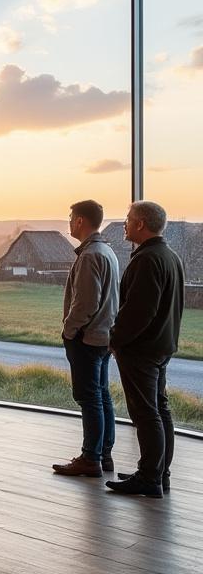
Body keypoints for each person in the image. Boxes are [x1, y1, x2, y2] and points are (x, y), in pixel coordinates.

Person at [106, 201, 184, 498]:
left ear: (140, 224)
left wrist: (114, 339)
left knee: (146, 414)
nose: (124, 224)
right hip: (161, 346)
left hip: (141, 350)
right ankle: (159, 473)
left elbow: (138, 313)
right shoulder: (170, 256)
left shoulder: (147, 260)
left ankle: (149, 478)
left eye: (128, 219)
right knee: (160, 409)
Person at [52, 200, 119, 478]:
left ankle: (90, 458)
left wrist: (69, 331)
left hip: (87, 338)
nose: (69, 222)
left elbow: (86, 303)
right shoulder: (107, 251)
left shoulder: (90, 255)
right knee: (101, 395)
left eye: (71, 217)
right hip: (103, 336)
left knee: (89, 398)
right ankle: (104, 454)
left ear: (80, 221)